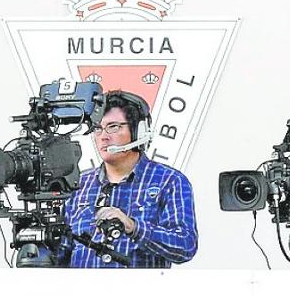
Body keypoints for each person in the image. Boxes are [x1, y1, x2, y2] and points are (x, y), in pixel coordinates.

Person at [64, 90, 197, 268]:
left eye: (113, 127)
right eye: (97, 128)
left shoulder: (170, 181)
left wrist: (133, 227)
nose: (103, 136)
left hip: (138, 294)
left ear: (138, 131)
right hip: (82, 294)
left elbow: (185, 245)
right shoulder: (78, 183)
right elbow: (60, 252)